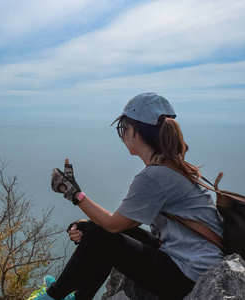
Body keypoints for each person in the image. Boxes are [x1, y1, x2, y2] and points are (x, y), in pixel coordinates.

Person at [27, 92, 224, 300]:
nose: (122, 135)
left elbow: (113, 225)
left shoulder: (155, 175)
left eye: (123, 127)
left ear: (133, 132)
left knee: (100, 235)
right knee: (95, 230)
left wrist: (73, 193)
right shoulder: (169, 165)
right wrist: (87, 224)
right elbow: (123, 224)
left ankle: (53, 297)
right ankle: (77, 297)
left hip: (187, 277)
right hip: (194, 267)